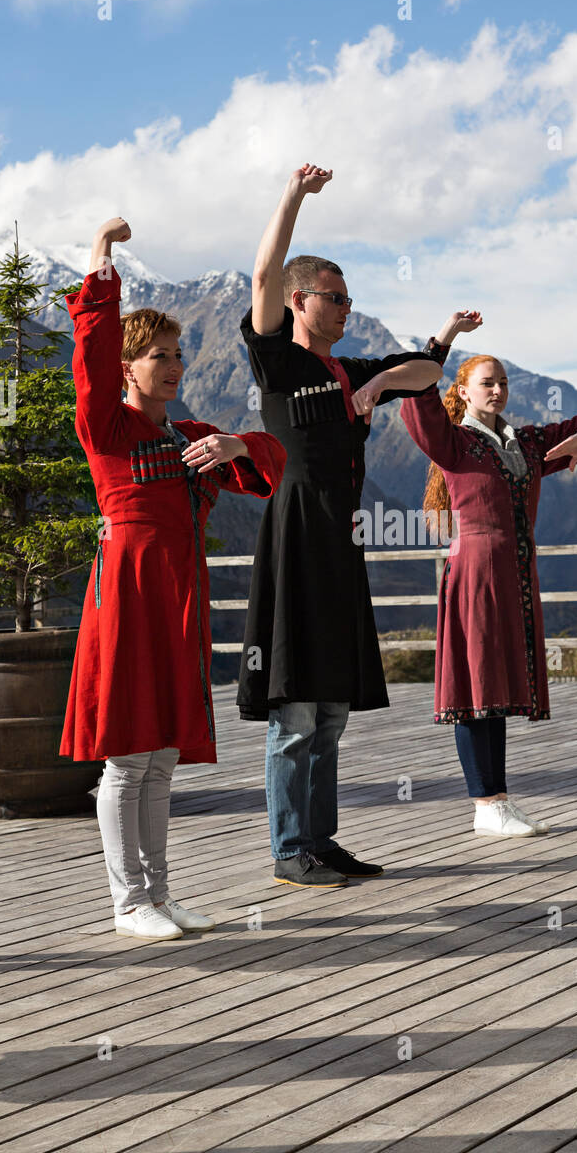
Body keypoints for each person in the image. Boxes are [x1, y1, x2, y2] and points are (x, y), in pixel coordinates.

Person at [61, 217, 286, 940]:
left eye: (178, 353)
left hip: (176, 598)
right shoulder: (109, 429)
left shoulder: (187, 439)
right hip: (125, 596)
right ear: (127, 367)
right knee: (126, 757)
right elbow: (88, 361)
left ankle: (158, 894)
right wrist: (102, 262)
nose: (174, 364)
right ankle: (127, 903)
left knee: (159, 756)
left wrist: (235, 441)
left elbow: (272, 468)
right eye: (158, 355)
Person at [238, 165, 443, 888]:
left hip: (342, 542)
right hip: (295, 533)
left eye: (350, 298)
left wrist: (382, 382)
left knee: (329, 714)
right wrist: (293, 196)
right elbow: (263, 272)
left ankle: (321, 844)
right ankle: (290, 849)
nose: (347, 307)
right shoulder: (278, 360)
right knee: (295, 713)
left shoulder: (350, 367)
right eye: (336, 296)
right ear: (301, 301)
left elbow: (428, 372)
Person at [400, 312, 577, 836]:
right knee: (475, 686)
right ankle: (485, 803)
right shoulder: (453, 442)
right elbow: (413, 401)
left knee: (494, 686)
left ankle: (497, 799)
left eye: (502, 382)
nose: (497, 389)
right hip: (474, 572)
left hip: (515, 573)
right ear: (465, 393)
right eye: (486, 383)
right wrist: (443, 340)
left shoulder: (526, 444)